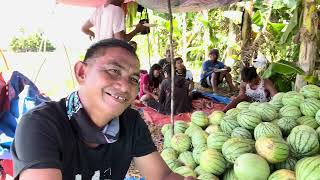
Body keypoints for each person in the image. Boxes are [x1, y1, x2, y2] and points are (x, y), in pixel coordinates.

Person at [11, 39, 195, 180]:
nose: (125, 87)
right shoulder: (40, 124)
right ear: (82, 73)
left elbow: (162, 176)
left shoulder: (131, 122)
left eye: (133, 79)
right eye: (114, 70)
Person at [81, 0, 148, 41]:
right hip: (112, 54)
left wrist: (94, 34)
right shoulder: (116, 10)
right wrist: (137, 30)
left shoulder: (99, 10)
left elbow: (84, 28)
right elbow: (121, 39)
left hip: (100, 51)